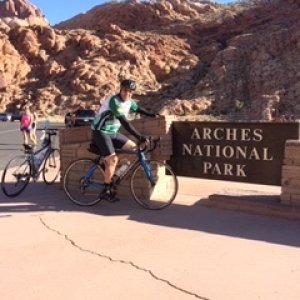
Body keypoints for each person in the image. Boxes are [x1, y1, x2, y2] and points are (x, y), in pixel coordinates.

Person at [91, 79, 158, 202]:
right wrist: (140, 137)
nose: (127, 93)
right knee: (113, 159)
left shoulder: (129, 102)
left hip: (112, 132)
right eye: (125, 90)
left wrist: (153, 115)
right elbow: (124, 122)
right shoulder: (114, 101)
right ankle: (106, 191)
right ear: (120, 90)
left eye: (130, 92)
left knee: (135, 149)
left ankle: (113, 177)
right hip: (100, 131)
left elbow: (138, 109)